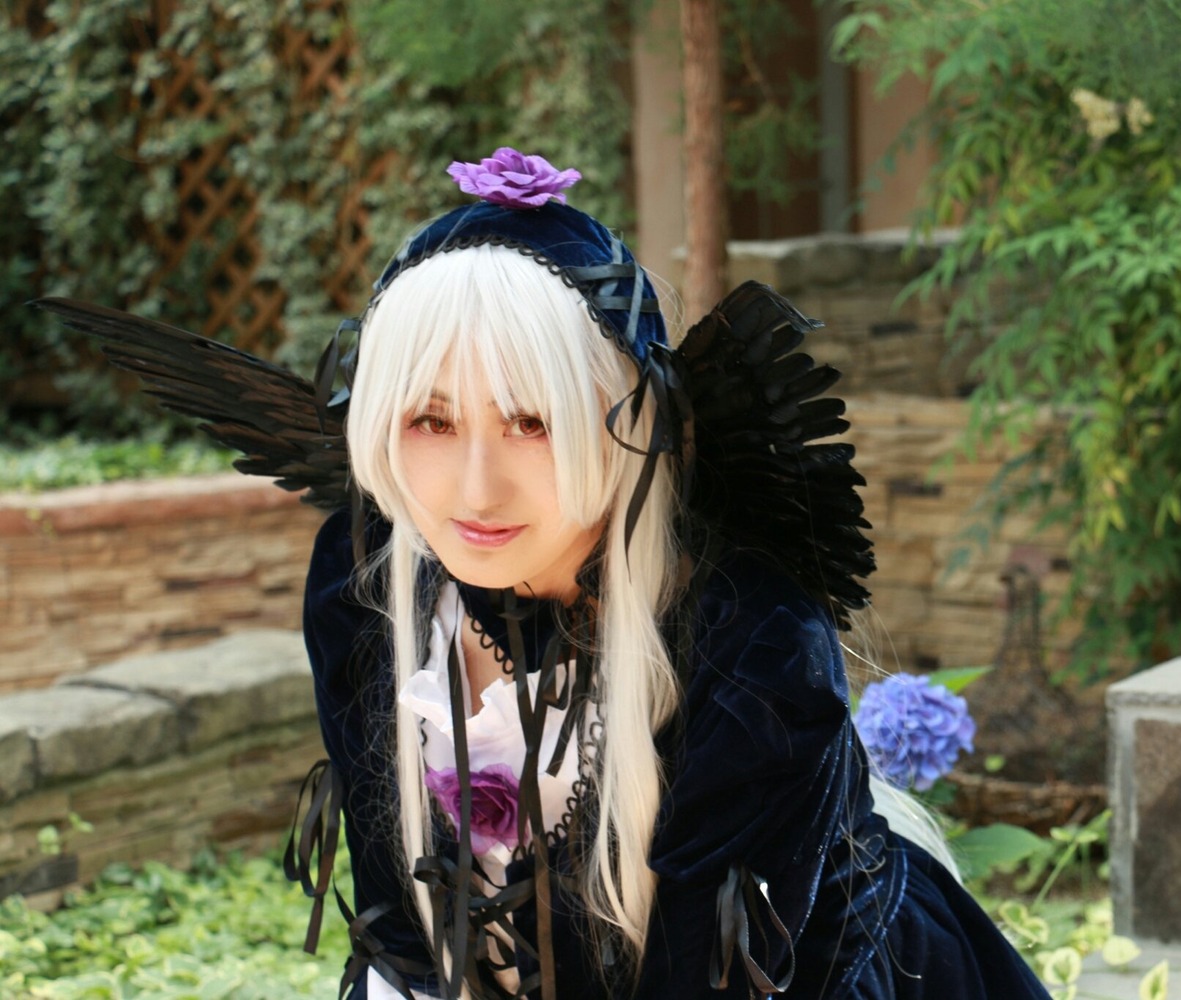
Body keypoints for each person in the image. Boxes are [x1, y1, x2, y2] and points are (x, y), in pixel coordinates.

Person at [40, 149, 1049, 1000]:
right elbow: (400, 924)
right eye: (428, 419)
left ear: (633, 422)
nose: (472, 486)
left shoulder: (749, 641)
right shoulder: (365, 580)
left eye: (531, 419)